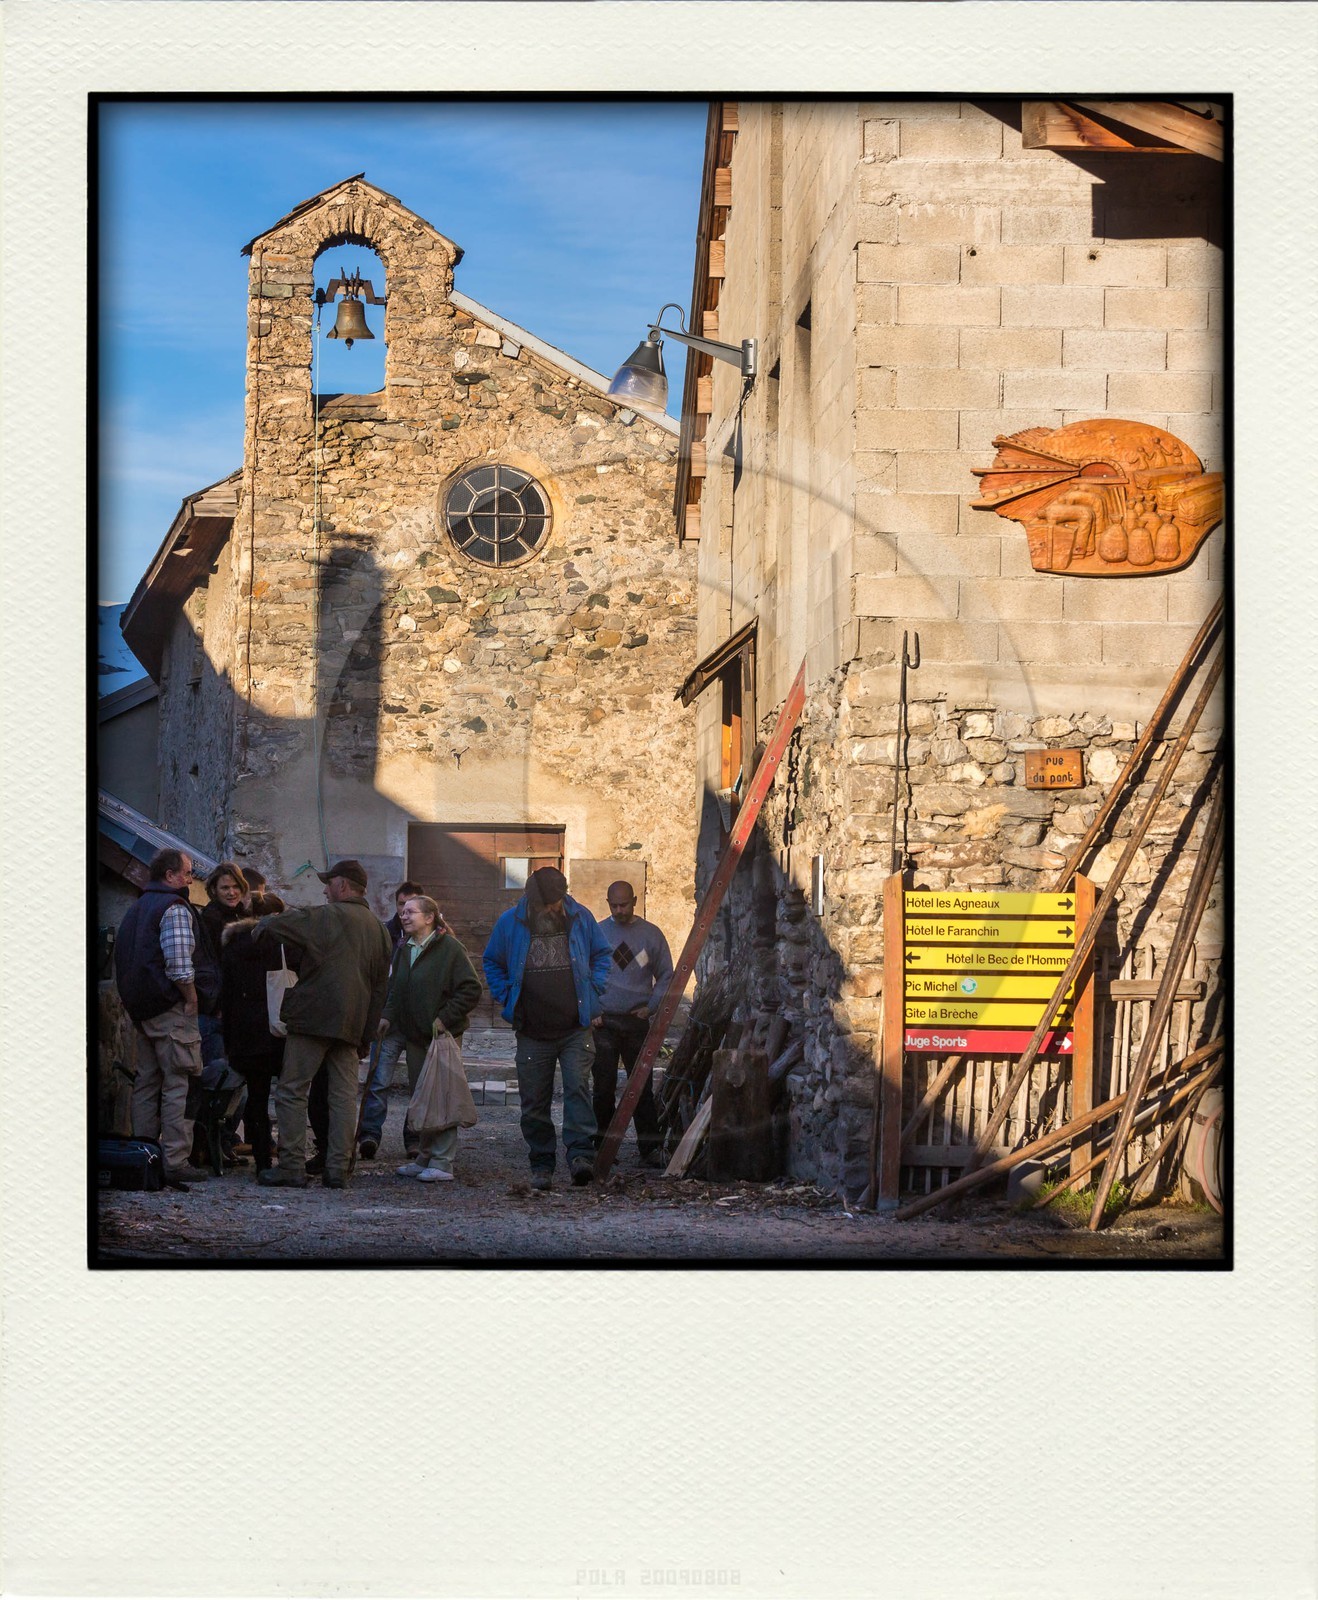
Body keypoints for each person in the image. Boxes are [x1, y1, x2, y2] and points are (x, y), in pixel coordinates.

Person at [254, 859, 391, 1190]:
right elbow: (379, 990)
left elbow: (278, 926)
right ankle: (337, 1170)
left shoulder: (325, 916)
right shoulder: (380, 929)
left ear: (342, 885)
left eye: (329, 883)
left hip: (313, 1019)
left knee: (292, 1090)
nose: (325, 889)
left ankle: (290, 1167)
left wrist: (261, 923)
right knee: (344, 1097)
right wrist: (366, 1035)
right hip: (352, 1024)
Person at [483, 866, 612, 1190]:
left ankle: (581, 1157)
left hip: (575, 1028)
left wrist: (594, 988)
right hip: (532, 1032)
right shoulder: (509, 923)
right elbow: (492, 962)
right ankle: (542, 1164)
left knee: (578, 1090)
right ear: (531, 899)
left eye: (558, 902)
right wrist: (506, 995)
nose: (554, 910)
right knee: (534, 1100)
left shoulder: (580, 917)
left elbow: (602, 955)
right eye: (548, 905)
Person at [113, 848, 220, 1187]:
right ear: (172, 876)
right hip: (170, 1008)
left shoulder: (138, 906)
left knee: (147, 1082)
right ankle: (174, 1160)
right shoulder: (173, 908)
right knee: (179, 1082)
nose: (191, 879)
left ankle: (142, 1155)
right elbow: (179, 964)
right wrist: (191, 999)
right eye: (187, 873)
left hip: (142, 1010)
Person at [380, 894, 482, 1183]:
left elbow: (470, 989)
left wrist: (444, 1018)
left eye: (411, 912)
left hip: (442, 1036)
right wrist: (387, 1016)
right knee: (421, 1097)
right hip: (414, 1036)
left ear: (429, 917)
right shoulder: (404, 949)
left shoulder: (449, 948)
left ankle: (443, 1161)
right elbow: (396, 989)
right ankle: (424, 1156)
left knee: (442, 1096)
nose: (404, 915)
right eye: (402, 911)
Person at [591, 880, 674, 1169]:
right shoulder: (599, 933)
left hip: (636, 1022)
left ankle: (649, 1149)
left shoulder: (651, 935)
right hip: (604, 1023)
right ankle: (602, 1147)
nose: (618, 910)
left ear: (635, 901)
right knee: (603, 1088)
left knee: (641, 1088)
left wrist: (651, 1007)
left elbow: (666, 974)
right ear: (607, 902)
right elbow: (584, 972)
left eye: (623, 904)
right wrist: (591, 1009)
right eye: (613, 905)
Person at [219, 893, 289, 1176]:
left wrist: (229, 1038)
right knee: (289, 1096)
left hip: (247, 1032)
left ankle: (261, 1159)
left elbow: (227, 994)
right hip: (280, 1028)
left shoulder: (234, 944)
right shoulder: (283, 944)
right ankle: (289, 1156)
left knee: (257, 1098)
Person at [357, 879, 427, 1161]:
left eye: (411, 906)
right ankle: (370, 1135)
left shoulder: (438, 937)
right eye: (401, 905)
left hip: (420, 1025)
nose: (405, 912)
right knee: (379, 1080)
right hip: (388, 1022)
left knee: (418, 1085)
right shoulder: (384, 934)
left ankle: (414, 1138)